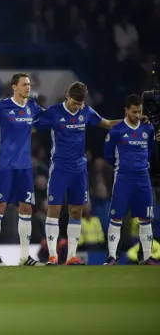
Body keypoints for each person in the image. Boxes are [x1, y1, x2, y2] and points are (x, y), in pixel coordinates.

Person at [33, 81, 120, 265]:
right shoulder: (54, 112)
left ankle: (72, 255)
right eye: (75, 103)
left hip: (79, 170)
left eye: (80, 103)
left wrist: (129, 122)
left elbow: (105, 123)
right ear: (67, 96)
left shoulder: (86, 111)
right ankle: (52, 255)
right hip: (59, 169)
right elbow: (34, 124)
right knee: (53, 210)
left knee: (76, 210)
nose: (77, 106)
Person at [0, 73, 43, 266]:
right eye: (24, 84)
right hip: (5, 165)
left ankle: (25, 256)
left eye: (29, 84)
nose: (28, 87)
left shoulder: (32, 107)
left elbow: (48, 117)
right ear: (14, 87)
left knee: (26, 208)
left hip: (25, 167)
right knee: (0, 206)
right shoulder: (1, 107)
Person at [104, 94, 159, 265]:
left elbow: (150, 150)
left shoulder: (147, 129)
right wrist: (123, 167)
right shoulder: (117, 130)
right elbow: (108, 155)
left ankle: (147, 256)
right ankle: (112, 256)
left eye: (139, 111)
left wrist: (140, 165)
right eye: (134, 111)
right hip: (123, 179)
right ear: (126, 110)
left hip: (143, 178)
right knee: (116, 217)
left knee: (146, 218)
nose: (137, 115)